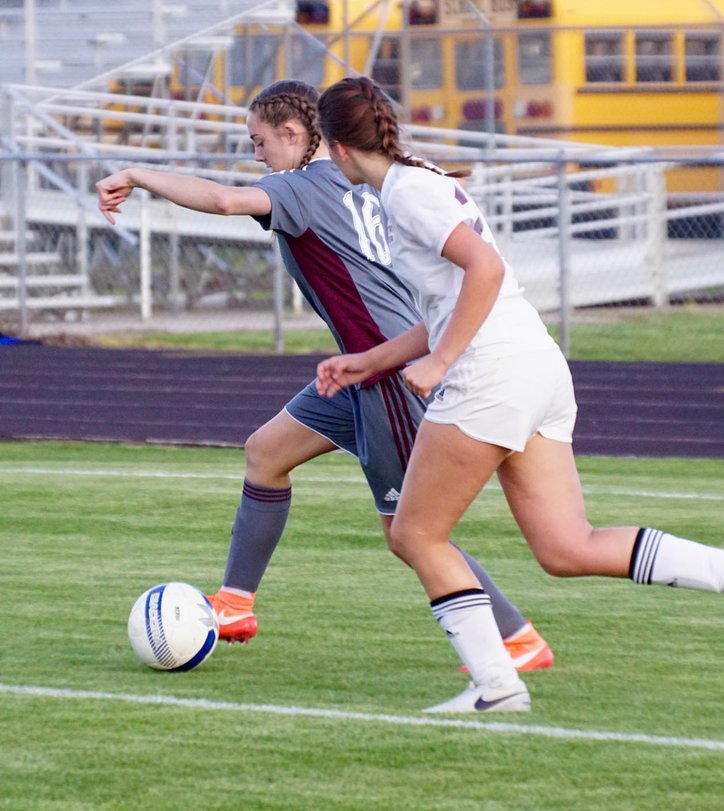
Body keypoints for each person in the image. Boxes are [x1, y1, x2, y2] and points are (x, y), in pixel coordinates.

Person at [314, 76, 724, 713]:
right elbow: (452, 300)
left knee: (415, 534)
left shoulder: (405, 194)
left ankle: (496, 685)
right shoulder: (415, 178)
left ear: (337, 147)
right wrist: (369, 361)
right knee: (566, 547)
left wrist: (442, 362)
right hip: (534, 364)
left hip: (492, 374)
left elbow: (485, 270)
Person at [96, 79, 553, 672]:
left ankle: (515, 636)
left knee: (411, 529)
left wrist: (136, 174)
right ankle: (234, 604)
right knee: (265, 452)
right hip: (360, 368)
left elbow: (224, 201)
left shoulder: (303, 187)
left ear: (293, 134)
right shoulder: (348, 177)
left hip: (386, 372)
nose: (256, 156)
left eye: (260, 142)